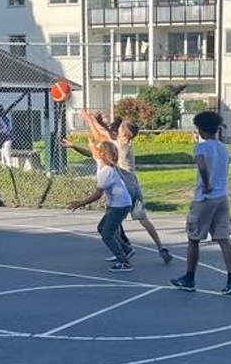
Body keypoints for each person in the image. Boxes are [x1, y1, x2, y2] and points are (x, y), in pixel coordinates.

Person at [74, 112, 172, 264]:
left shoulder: (119, 147)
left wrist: (89, 120)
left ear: (124, 134)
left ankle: (122, 250)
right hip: (135, 188)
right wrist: (95, 121)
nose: (117, 128)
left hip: (124, 190)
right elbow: (106, 132)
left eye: (119, 128)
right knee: (143, 219)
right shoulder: (127, 145)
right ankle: (161, 247)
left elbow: (102, 135)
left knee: (113, 221)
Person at [169, 110, 231, 296]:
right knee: (224, 238)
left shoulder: (201, 148)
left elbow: (201, 164)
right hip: (222, 197)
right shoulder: (224, 148)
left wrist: (206, 183)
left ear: (201, 129)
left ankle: (189, 277)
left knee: (194, 238)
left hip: (205, 198)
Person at [69, 137, 134, 271]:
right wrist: (77, 144)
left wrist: (80, 203)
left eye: (98, 150)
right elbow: (93, 152)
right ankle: (126, 249)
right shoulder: (101, 162)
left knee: (107, 234)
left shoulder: (107, 172)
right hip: (117, 204)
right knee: (102, 228)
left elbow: (97, 195)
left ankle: (124, 262)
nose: (95, 151)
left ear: (103, 154)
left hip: (120, 206)